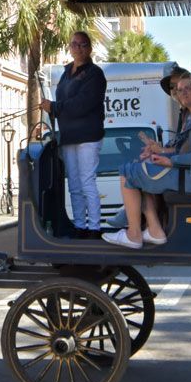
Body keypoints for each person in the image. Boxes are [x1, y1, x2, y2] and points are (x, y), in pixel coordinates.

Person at [104, 65, 191, 249]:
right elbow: (187, 149)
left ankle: (134, 233)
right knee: (139, 167)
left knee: (128, 172)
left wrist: (169, 159)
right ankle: (152, 229)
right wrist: (159, 152)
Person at [40, 31, 107, 234]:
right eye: (74, 44)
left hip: (88, 136)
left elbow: (83, 104)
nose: (78, 48)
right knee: (75, 185)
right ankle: (79, 225)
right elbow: (64, 100)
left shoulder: (95, 74)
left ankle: (94, 228)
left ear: (90, 48)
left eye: (83, 44)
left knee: (87, 182)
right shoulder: (66, 72)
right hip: (69, 136)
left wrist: (55, 107)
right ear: (70, 48)